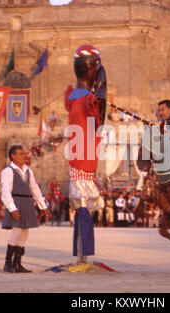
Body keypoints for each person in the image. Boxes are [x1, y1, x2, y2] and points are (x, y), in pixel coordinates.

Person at [64, 44, 106, 263]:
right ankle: (83, 256)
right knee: (83, 213)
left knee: (83, 213)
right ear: (91, 68)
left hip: (83, 163)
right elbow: (94, 127)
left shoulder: (76, 99)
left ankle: (82, 255)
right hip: (83, 164)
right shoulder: (84, 102)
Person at [1, 145, 51, 273]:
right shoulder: (8, 171)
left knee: (24, 233)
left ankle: (17, 264)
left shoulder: (28, 170)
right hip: (16, 202)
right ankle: (8, 263)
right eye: (20, 154)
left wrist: (43, 206)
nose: (24, 156)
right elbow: (6, 191)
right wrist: (12, 208)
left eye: (23, 154)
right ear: (13, 156)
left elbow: (34, 188)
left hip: (27, 202)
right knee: (17, 232)